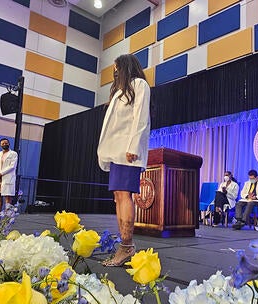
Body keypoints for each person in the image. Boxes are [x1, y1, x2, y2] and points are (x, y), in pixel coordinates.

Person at [97, 54, 150, 267]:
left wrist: (134, 146)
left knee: (124, 196)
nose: (116, 71)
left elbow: (141, 117)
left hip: (128, 151)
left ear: (127, 67)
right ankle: (124, 245)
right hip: (115, 152)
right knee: (118, 196)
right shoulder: (119, 92)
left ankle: (127, 245)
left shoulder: (139, 84)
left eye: (118, 67)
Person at [0, 138, 18, 221]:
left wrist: (0, 174)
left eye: (6, 143)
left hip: (7, 177)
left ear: (9, 144)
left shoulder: (13, 154)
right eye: (3, 143)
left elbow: (12, 166)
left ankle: (6, 217)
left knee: (7, 197)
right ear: (0, 145)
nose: (4, 144)